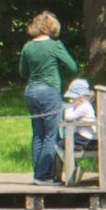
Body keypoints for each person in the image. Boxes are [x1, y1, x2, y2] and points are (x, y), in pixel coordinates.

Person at [20, 12, 81, 183]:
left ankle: (38, 174)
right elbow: (72, 66)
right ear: (51, 27)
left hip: (30, 92)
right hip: (49, 91)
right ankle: (43, 175)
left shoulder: (28, 47)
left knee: (38, 134)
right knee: (51, 134)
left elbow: (23, 72)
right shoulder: (55, 45)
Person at [62, 76, 98, 175]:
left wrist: (70, 106)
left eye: (73, 98)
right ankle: (74, 169)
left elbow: (68, 117)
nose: (71, 100)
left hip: (85, 138)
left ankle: (73, 171)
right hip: (84, 136)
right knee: (61, 144)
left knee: (61, 144)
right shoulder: (83, 105)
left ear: (81, 97)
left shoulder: (84, 107)